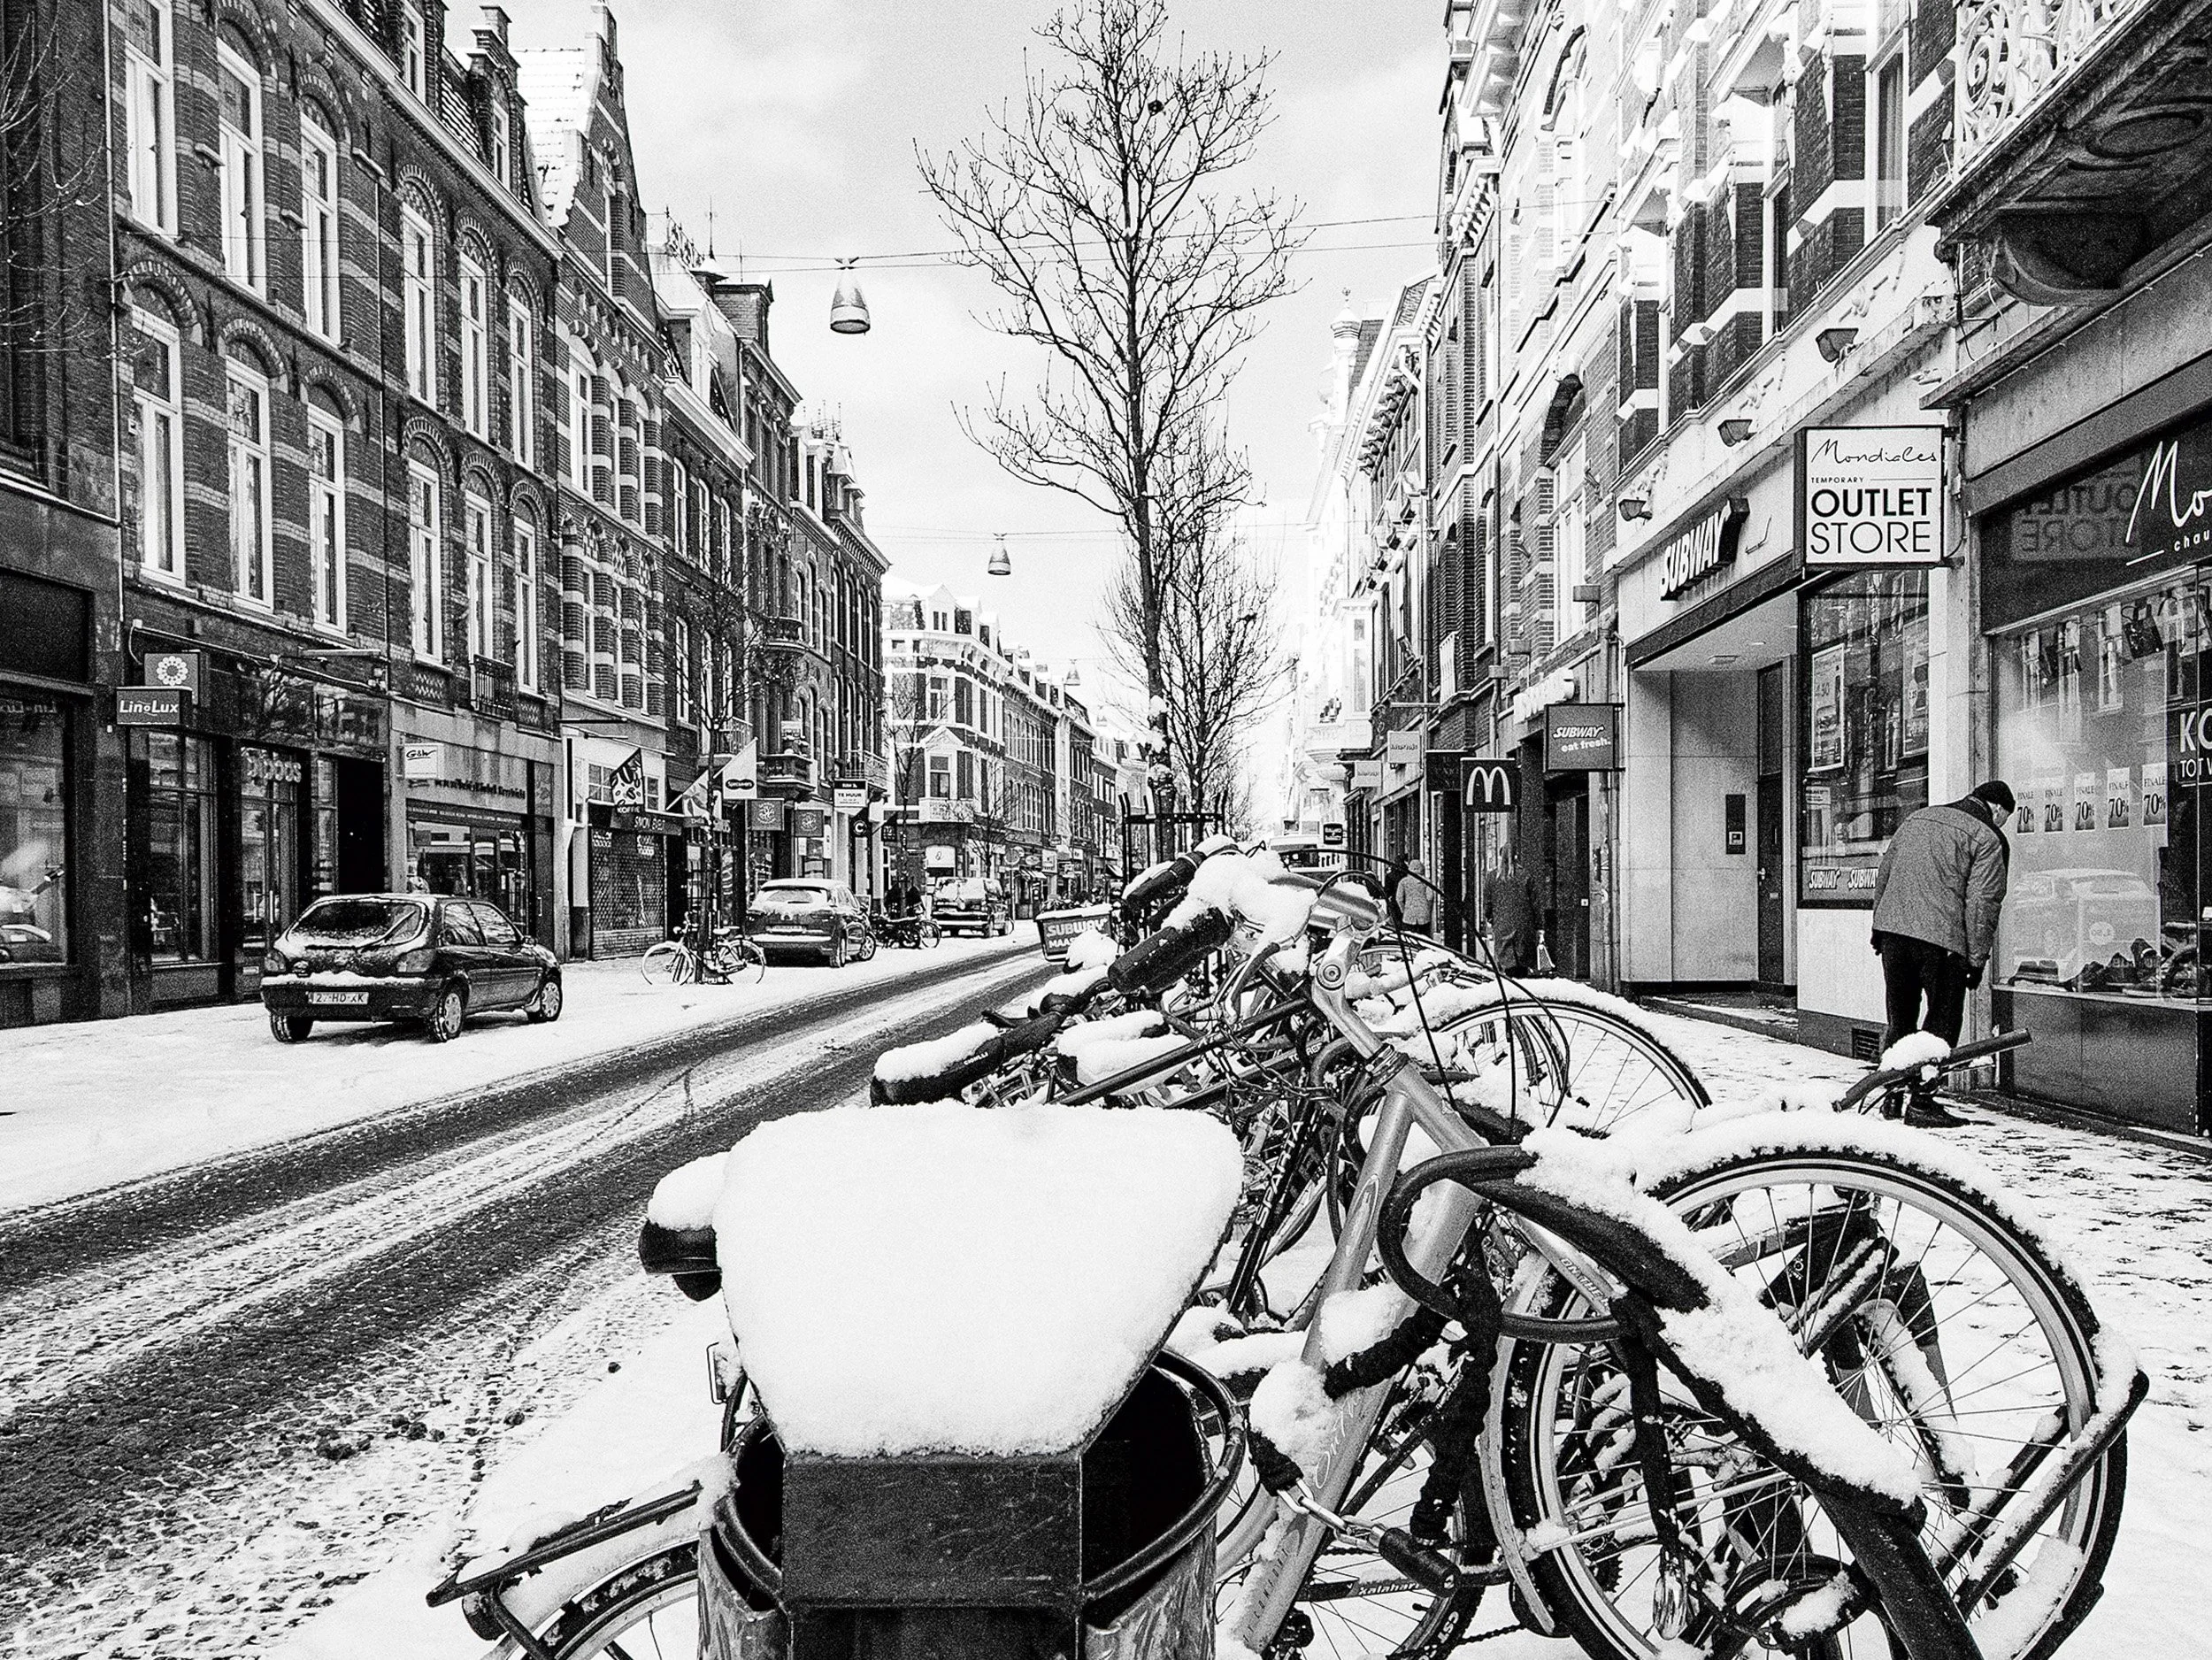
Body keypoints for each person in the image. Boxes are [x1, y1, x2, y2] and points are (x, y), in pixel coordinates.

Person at [1870, 779, 2015, 1127]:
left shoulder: (1917, 819)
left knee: (1901, 1020)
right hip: (1941, 943)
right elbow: (1982, 903)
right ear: (1997, 808)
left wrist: (1879, 928)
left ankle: (1892, 1096)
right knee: (1942, 1022)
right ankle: (1922, 1103)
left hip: (1894, 936)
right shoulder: (1987, 837)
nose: (2003, 824)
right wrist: (1976, 960)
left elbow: (1885, 875)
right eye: (2005, 817)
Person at [1480, 844, 1540, 975]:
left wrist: (1492, 919)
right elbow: (1535, 904)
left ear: (1500, 856)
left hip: (1502, 926)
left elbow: (1487, 904)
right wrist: (1538, 926)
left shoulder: (1492, 877)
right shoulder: (1525, 876)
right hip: (1523, 927)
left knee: (1507, 963)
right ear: (1516, 857)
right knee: (1522, 963)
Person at [1394, 857, 1438, 937]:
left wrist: (1403, 910)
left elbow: (1399, 898)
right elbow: (1430, 897)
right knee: (1424, 938)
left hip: (1409, 914)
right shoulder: (1427, 881)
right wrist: (1428, 909)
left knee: (1410, 938)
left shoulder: (1403, 882)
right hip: (1424, 914)